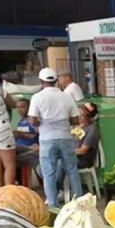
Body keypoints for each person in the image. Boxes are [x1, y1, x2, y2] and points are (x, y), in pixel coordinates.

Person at [28, 68, 82, 207]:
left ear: (41, 81)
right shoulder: (67, 96)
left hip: (47, 139)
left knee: (49, 174)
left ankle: (52, 203)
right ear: (56, 80)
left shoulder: (37, 97)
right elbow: (76, 121)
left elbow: (33, 121)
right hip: (66, 138)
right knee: (72, 171)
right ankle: (80, 202)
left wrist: (44, 123)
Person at [14, 99, 40, 173]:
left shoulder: (32, 120)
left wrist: (20, 134)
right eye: (18, 107)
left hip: (31, 148)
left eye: (22, 107)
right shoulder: (21, 120)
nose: (20, 110)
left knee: (12, 157)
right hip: (21, 148)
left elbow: (36, 135)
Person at [74, 102, 100, 169]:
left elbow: (83, 151)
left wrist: (64, 152)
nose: (79, 115)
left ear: (90, 117)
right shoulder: (77, 126)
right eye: (79, 112)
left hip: (82, 159)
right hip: (71, 155)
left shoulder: (92, 129)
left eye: (82, 115)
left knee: (60, 163)